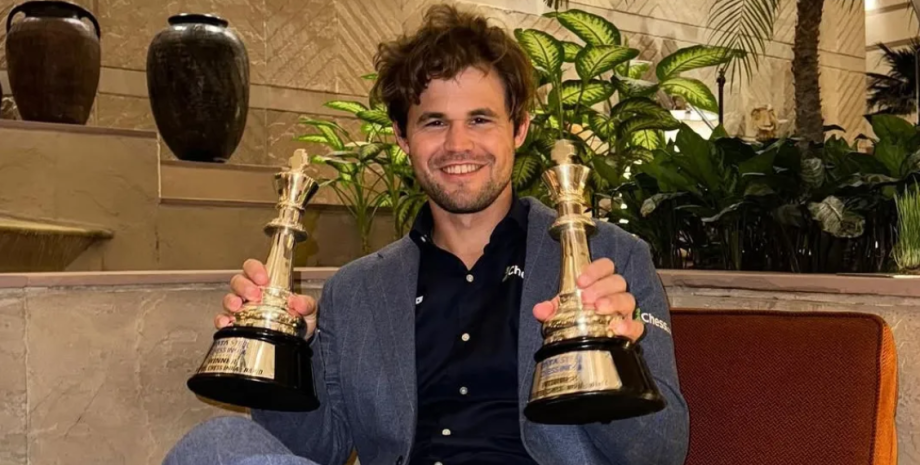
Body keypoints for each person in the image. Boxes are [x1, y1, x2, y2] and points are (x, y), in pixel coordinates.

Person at [164, 4, 689, 465]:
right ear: (402, 136)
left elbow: (661, 452)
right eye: (434, 122)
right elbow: (320, 450)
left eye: (480, 119)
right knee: (216, 442)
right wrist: (284, 357)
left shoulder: (611, 261)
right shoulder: (355, 292)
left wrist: (615, 357)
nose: (458, 144)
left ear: (519, 128)